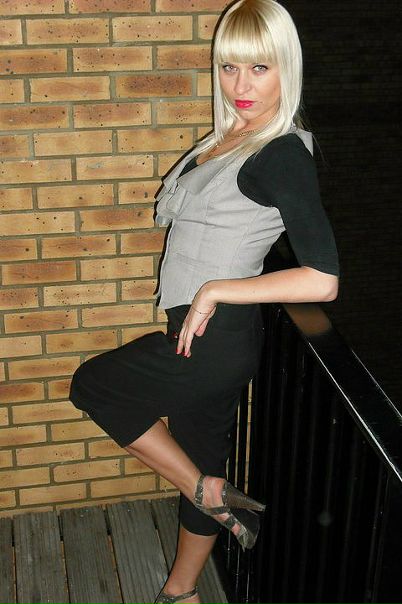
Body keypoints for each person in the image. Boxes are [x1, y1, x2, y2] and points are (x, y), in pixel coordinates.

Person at [69, 0, 339, 602]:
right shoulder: (233, 138)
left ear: (287, 69)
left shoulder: (281, 154)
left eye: (260, 68)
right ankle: (182, 592)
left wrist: (216, 288)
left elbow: (322, 280)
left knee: (94, 386)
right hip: (203, 335)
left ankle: (205, 492)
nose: (241, 85)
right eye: (229, 66)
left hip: (215, 340)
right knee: (201, 453)